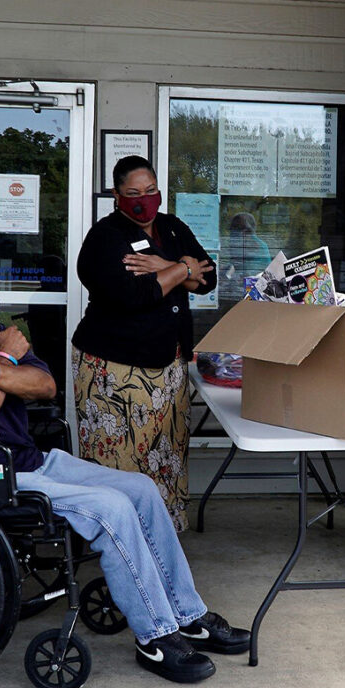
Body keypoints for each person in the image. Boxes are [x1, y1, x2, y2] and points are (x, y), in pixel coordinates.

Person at [0, 246, 247, 684]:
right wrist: (5, 361)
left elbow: (45, 386)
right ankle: (155, 637)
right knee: (111, 507)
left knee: (140, 488)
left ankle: (187, 614)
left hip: (30, 460)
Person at [72, 155, 216, 531]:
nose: (144, 199)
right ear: (117, 195)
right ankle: (117, 536)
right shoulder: (105, 238)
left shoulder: (171, 227)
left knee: (165, 454)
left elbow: (209, 278)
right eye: (133, 193)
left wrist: (158, 268)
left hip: (167, 366)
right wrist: (181, 268)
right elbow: (134, 297)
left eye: (151, 191)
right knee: (121, 458)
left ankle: (161, 534)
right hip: (116, 368)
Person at [220, 211, 272, 299]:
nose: (231, 238)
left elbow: (249, 274)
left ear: (243, 232)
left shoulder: (254, 246)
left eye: (233, 233)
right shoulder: (253, 244)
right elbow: (235, 266)